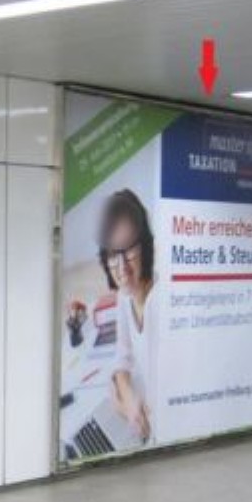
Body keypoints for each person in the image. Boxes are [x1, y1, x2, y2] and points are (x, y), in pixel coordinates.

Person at [99, 189, 156, 442]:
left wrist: (122, 405)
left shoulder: (160, 298)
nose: (122, 267)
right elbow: (122, 356)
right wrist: (129, 400)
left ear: (145, 246)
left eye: (130, 250)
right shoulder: (124, 296)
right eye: (113, 254)